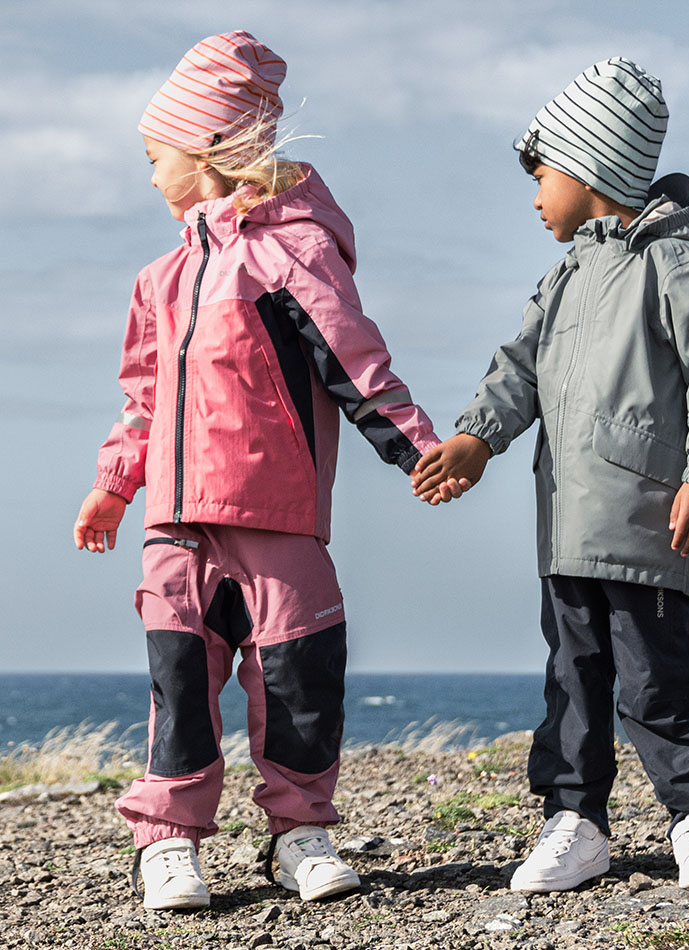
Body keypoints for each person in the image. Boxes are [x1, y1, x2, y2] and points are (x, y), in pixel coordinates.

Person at [74, 30, 462, 911]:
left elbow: (353, 358)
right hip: (176, 522)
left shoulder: (292, 252)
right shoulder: (160, 278)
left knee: (298, 679)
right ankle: (169, 840)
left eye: (155, 157)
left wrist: (415, 446)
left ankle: (300, 832)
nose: (150, 177)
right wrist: (114, 483)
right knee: (180, 680)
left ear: (207, 150)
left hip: (278, 513)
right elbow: (142, 397)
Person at [412, 57, 689, 893]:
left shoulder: (674, 260)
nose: (536, 196)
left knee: (658, 679)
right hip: (566, 526)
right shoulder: (567, 272)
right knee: (571, 680)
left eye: (541, 176)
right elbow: (519, 367)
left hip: (647, 521)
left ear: (588, 169)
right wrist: (476, 437)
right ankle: (575, 821)